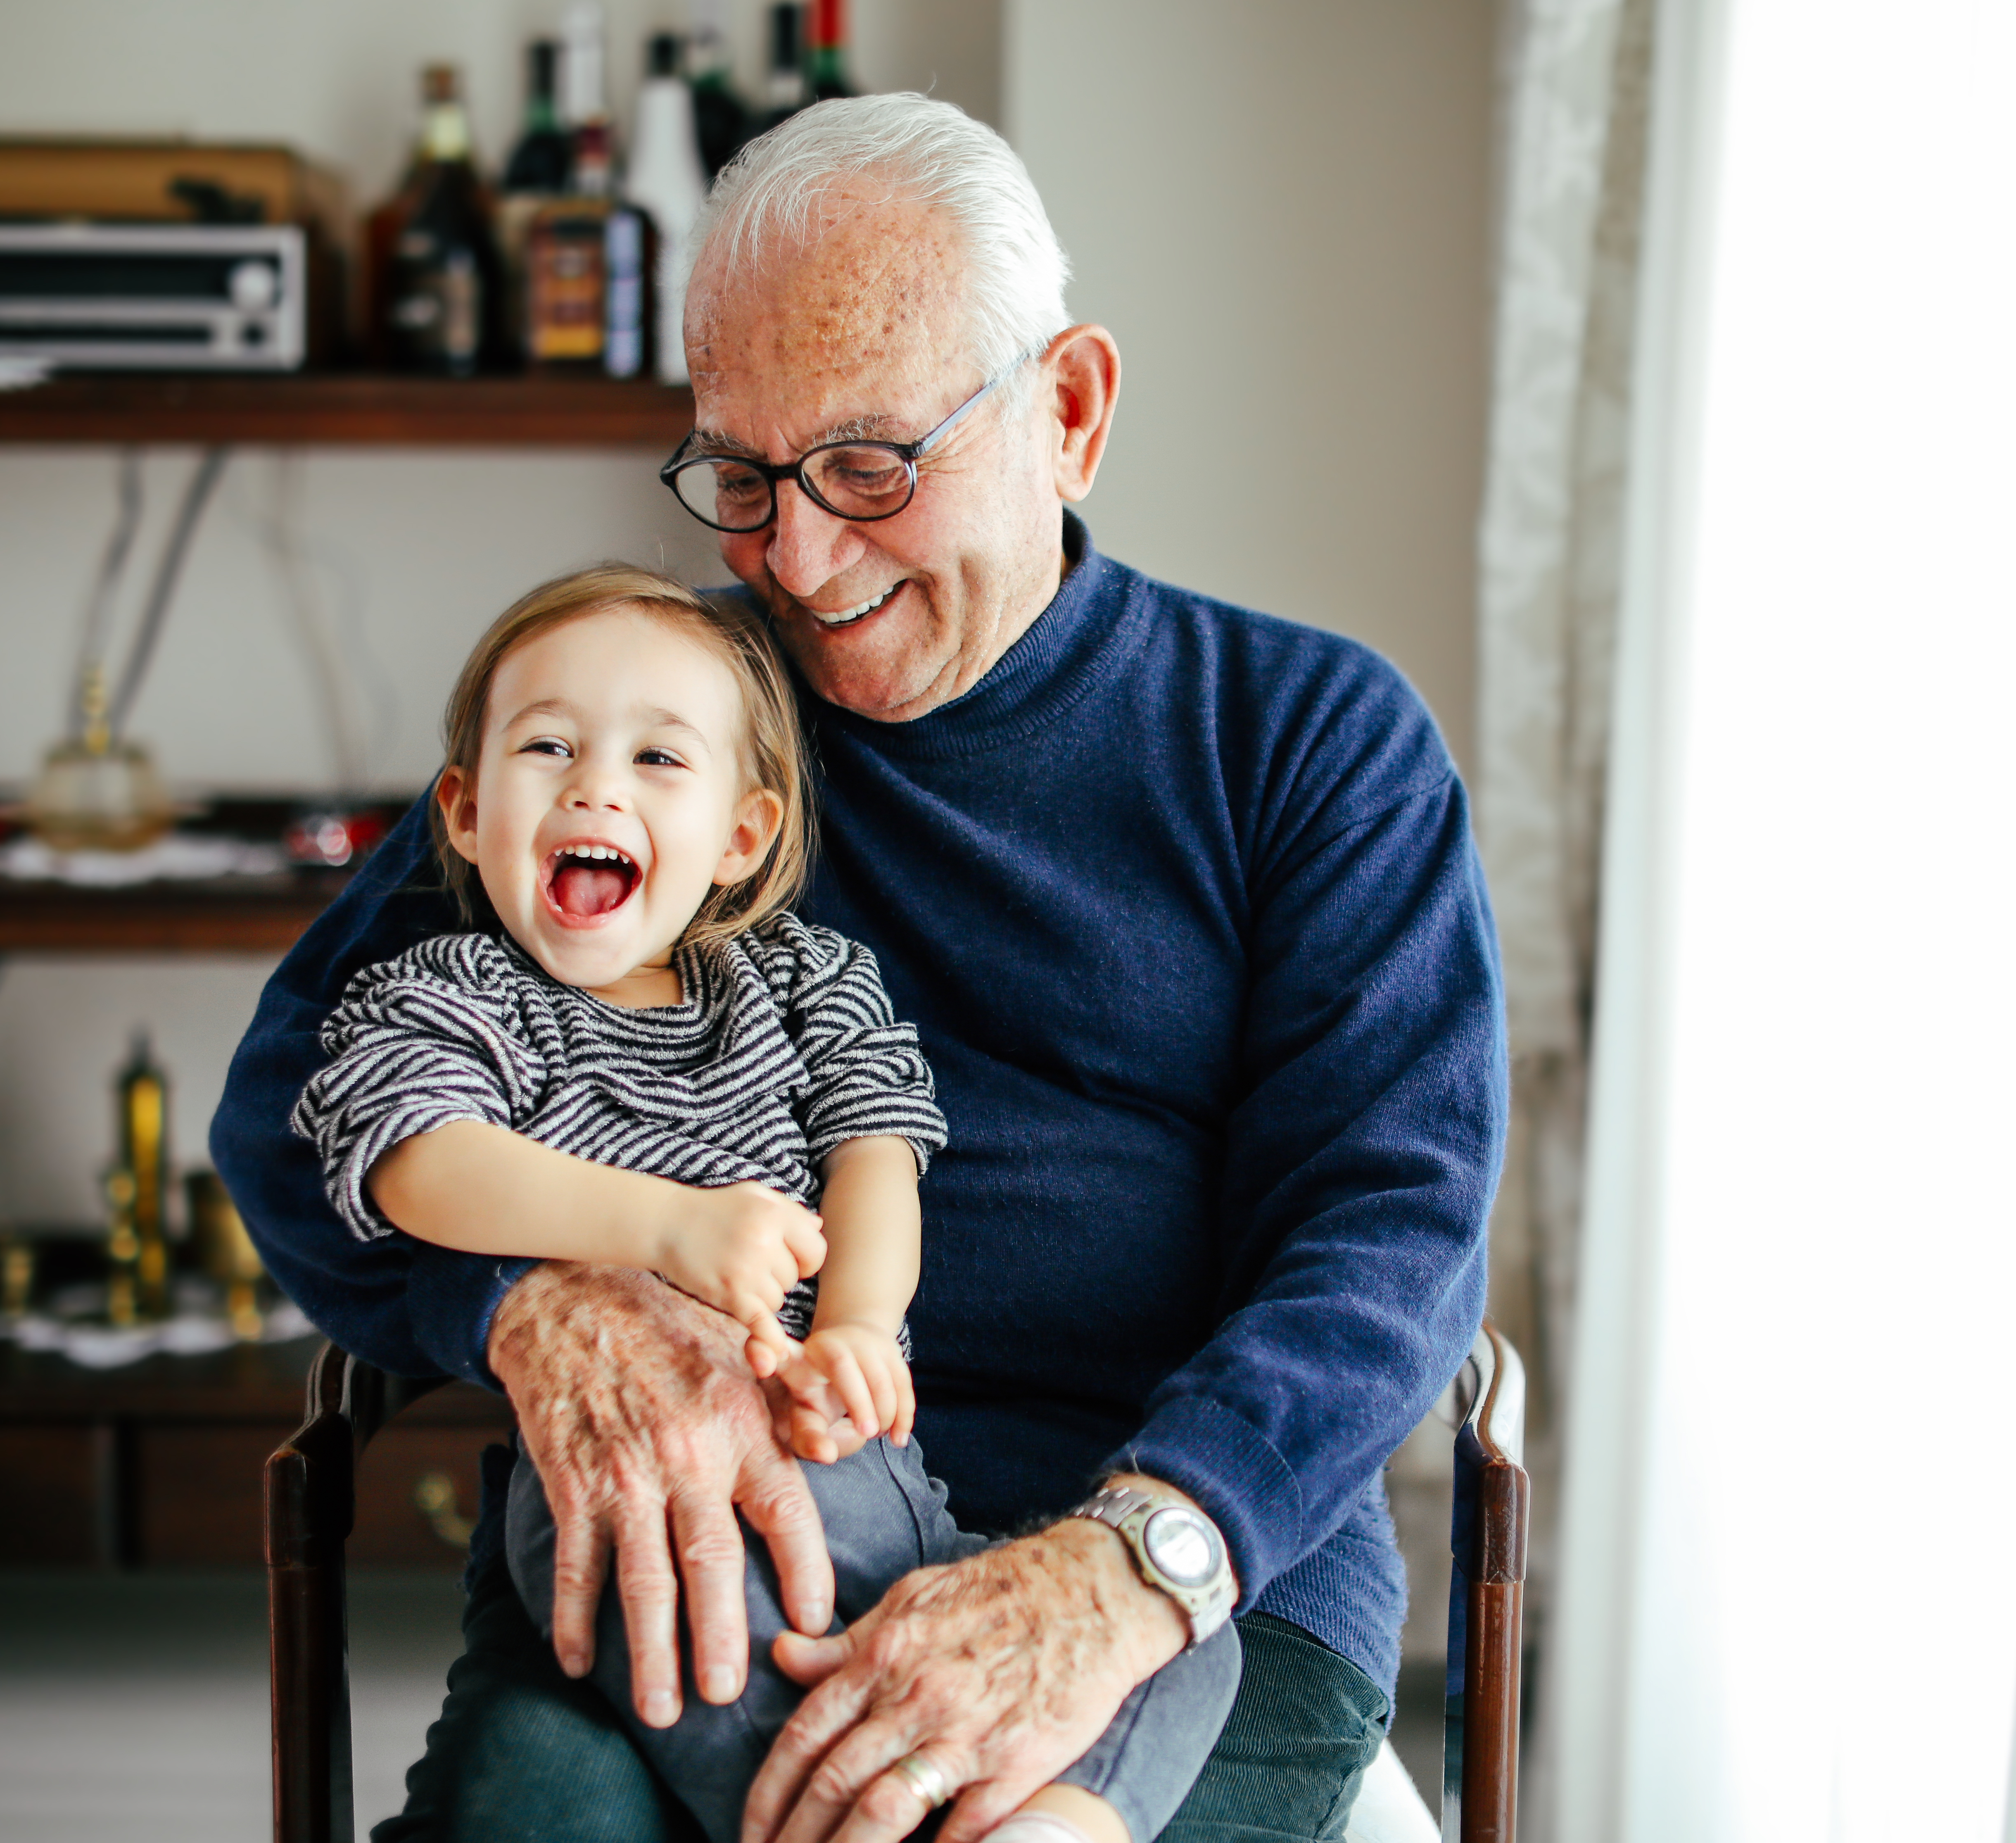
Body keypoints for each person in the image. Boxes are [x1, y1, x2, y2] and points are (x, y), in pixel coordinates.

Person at [213, 91, 1503, 1843]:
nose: (797, 565)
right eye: (740, 476)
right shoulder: (661, 729)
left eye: (871, 467)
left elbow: (1392, 1230)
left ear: (1069, 412)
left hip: (1174, 1569)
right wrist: (533, 1299)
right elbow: (301, 1098)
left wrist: (1120, 1574)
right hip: (711, 1531)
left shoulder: (1307, 741)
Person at [289, 564, 1239, 1843]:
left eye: (657, 759)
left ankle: (1056, 1825)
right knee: (695, 1642)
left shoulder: (801, 982)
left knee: (1185, 1638)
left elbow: (880, 1156)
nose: (596, 786)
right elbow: (418, 1159)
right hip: (636, 1490)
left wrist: (854, 1324)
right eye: (549, 746)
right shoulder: (459, 993)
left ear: (742, 834)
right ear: (463, 811)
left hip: (874, 1481)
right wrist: (664, 1229)